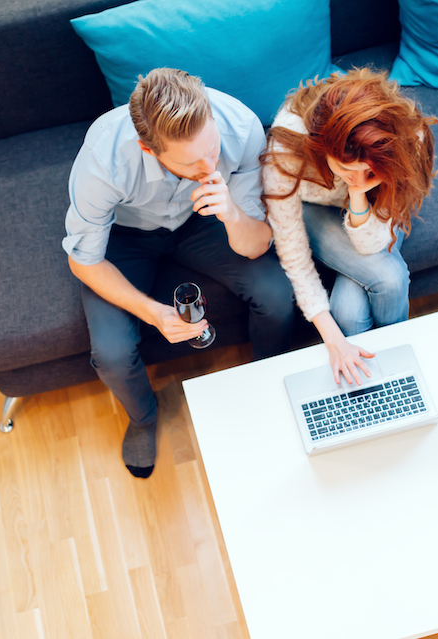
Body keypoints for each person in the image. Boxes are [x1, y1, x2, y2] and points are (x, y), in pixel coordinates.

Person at [64, 68, 295, 478]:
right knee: (112, 353)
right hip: (127, 236)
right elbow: (83, 260)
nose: (210, 165)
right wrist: (152, 312)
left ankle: (267, 375)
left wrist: (231, 214)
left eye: (212, 149)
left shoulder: (239, 126)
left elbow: (257, 243)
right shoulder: (103, 160)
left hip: (202, 219)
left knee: (277, 294)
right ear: (149, 150)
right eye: (191, 161)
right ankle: (143, 420)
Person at [262, 68, 437, 387]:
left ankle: (389, 377)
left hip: (367, 213)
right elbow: (294, 256)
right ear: (321, 149)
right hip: (313, 209)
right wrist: (333, 342)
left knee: (350, 310)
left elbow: (372, 244)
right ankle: (379, 379)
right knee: (389, 277)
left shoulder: (401, 143)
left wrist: (359, 193)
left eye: (367, 172)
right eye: (345, 169)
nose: (355, 178)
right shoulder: (286, 151)